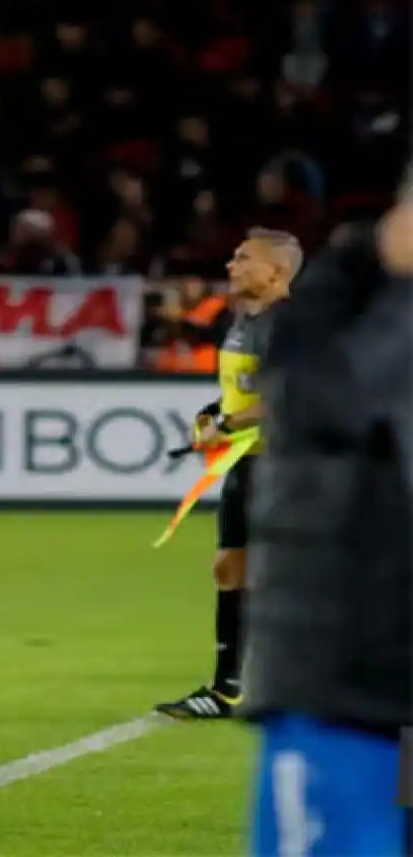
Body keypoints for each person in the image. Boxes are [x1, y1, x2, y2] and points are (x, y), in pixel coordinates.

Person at [242, 191, 413, 855]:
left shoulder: (345, 319)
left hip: (353, 697)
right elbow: (320, 398)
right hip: (355, 697)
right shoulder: (350, 318)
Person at [155, 229, 302, 721]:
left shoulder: (290, 325)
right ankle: (228, 689)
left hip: (287, 467)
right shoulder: (243, 320)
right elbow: (247, 389)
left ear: (276, 271)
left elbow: (287, 395)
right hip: (249, 462)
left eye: (243, 259)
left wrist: (227, 425)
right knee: (229, 567)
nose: (231, 266)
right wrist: (213, 412)